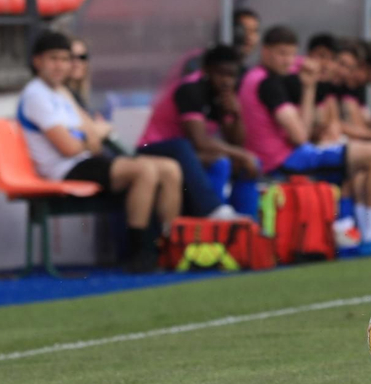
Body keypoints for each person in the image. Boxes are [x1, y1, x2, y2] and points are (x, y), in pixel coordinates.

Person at [17, 30, 183, 272]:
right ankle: (139, 251)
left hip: (83, 161)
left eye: (65, 59)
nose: (61, 66)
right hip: (64, 169)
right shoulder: (36, 95)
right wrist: (89, 136)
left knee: (170, 168)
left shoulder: (61, 93)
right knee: (144, 170)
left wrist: (87, 136)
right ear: (37, 61)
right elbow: (69, 147)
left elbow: (89, 137)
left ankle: (171, 245)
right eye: (53, 59)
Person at [238, 26, 371, 257]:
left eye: (290, 54)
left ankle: (362, 228)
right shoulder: (267, 83)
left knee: (368, 161)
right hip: (283, 159)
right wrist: (310, 87)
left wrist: (309, 87)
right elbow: (300, 136)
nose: (287, 60)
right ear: (265, 51)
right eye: (281, 53)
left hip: (290, 153)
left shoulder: (264, 78)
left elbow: (304, 130)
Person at [134, 43, 260, 220]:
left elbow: (236, 142)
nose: (226, 81)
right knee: (206, 155)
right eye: (220, 73)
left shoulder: (223, 94)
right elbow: (199, 141)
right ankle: (211, 212)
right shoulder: (190, 89)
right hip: (154, 148)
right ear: (207, 70)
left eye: (231, 75)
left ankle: (246, 224)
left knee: (250, 164)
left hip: (189, 154)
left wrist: (236, 115)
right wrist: (241, 154)